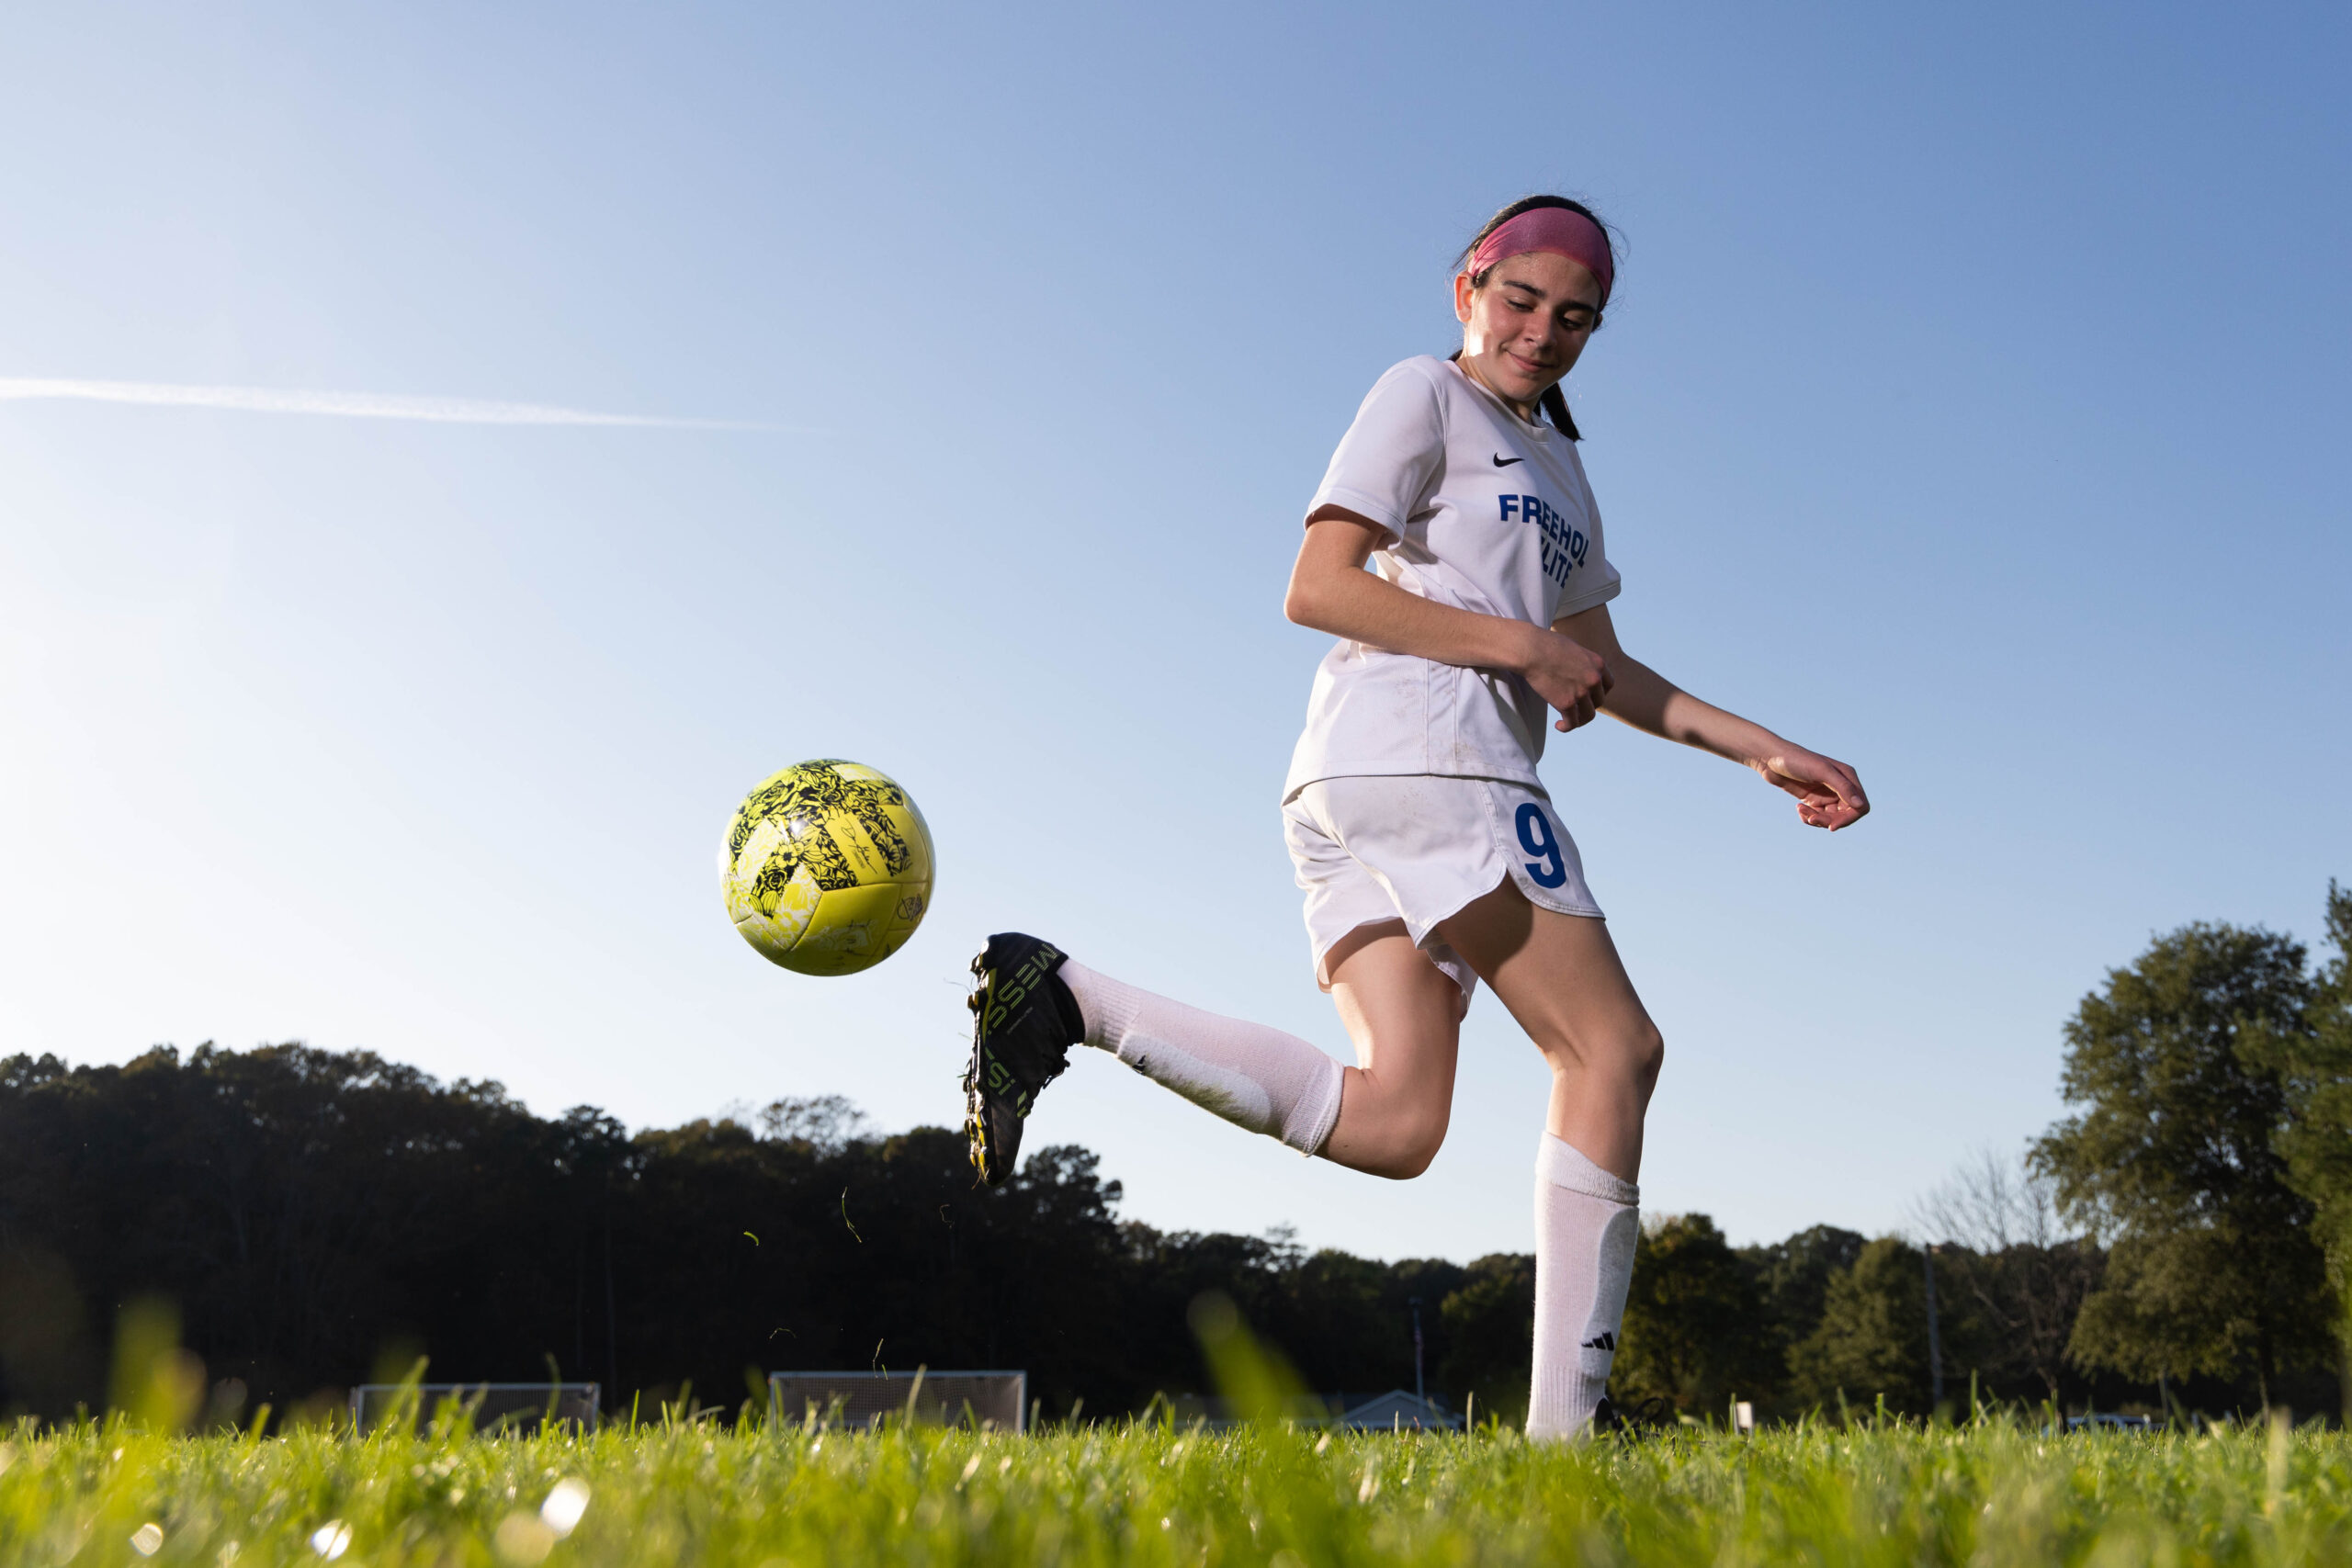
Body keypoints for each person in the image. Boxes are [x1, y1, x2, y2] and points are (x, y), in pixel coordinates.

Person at [960, 195, 1868, 1438]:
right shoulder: (1423, 393)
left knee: (1396, 1123)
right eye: (1520, 300)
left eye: (1576, 318)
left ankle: (1066, 1000)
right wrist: (1518, 648)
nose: (1541, 332)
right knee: (1612, 1052)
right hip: (1436, 764)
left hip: (1355, 784)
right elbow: (1318, 586)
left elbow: (1603, 666)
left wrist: (1765, 749)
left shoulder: (1565, 473)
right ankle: (1566, 1443)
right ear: (1467, 291)